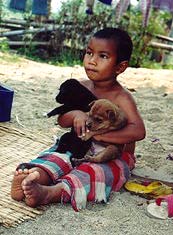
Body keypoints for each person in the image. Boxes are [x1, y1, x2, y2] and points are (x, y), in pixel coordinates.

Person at [11, 28, 146, 211]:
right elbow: (62, 120)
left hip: (114, 153)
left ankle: (51, 193)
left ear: (120, 67)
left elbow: (138, 131)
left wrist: (99, 137)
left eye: (103, 56)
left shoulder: (122, 97)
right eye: (89, 53)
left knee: (94, 172)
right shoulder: (80, 87)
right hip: (77, 145)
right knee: (58, 156)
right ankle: (34, 177)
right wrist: (76, 114)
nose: (92, 60)